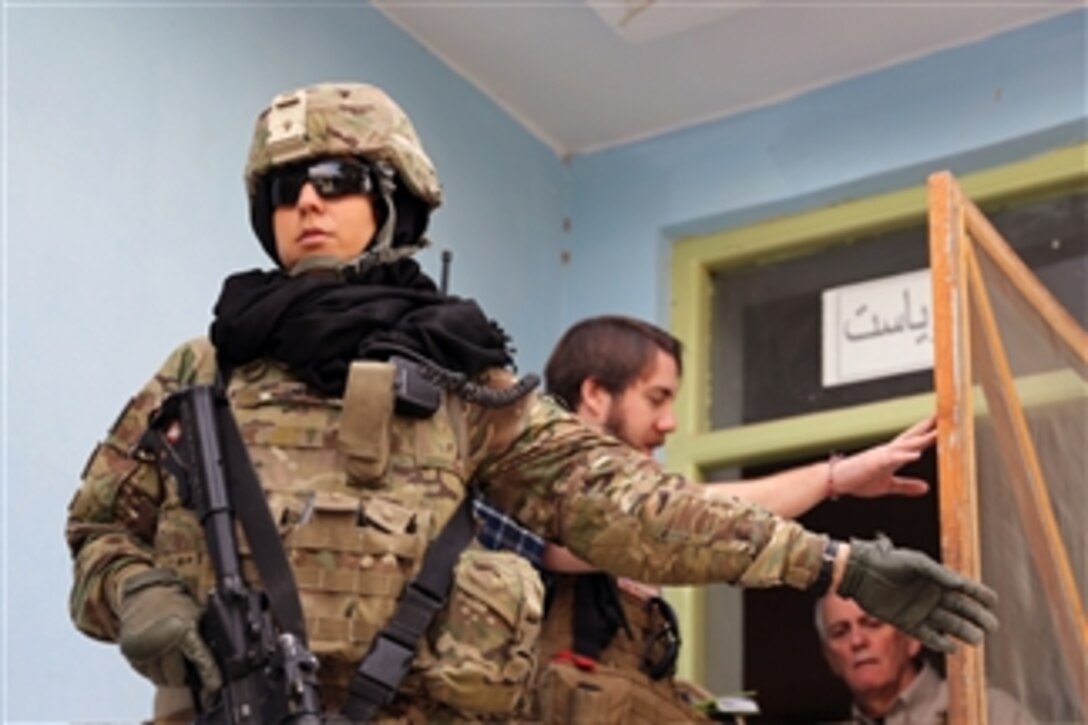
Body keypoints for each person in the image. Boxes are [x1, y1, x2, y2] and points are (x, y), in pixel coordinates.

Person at [65, 81, 998, 723]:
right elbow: (98, 528)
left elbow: (634, 509)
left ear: (394, 199)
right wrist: (133, 590)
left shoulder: (465, 378)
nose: (305, 200)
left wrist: (833, 563)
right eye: (281, 186)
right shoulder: (203, 370)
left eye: (338, 179)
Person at [509, 315, 943, 723]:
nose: (669, 423)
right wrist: (834, 480)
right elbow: (675, 518)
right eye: (655, 398)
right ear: (596, 395)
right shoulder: (534, 490)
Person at [816, 592, 1035, 724]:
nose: (857, 641)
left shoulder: (986, 711)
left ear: (912, 637)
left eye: (873, 624)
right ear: (830, 658)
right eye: (839, 631)